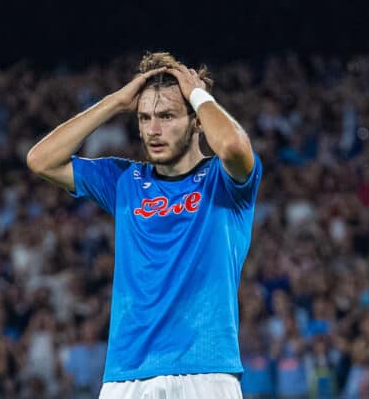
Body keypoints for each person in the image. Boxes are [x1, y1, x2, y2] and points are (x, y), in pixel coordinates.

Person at [27, 52, 262, 399]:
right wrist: (115, 102)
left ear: (197, 121)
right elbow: (40, 159)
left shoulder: (224, 181)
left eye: (167, 116)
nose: (153, 130)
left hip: (206, 370)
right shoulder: (125, 180)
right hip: (128, 374)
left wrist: (198, 94)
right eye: (145, 117)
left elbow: (231, 145)